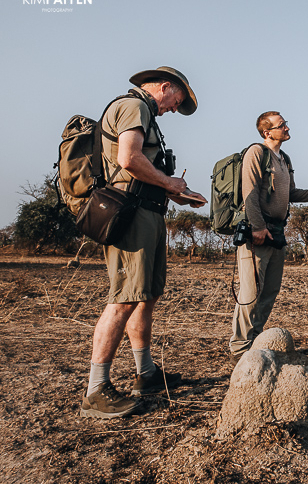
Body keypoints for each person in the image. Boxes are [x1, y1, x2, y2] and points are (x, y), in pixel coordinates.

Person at [81, 66, 205, 418]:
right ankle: (95, 390)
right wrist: (170, 184)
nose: (171, 109)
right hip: (131, 214)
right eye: (175, 102)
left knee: (146, 295)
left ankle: (145, 374)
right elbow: (129, 159)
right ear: (164, 87)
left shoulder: (146, 112)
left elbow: (142, 168)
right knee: (123, 299)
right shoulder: (133, 107)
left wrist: (178, 194)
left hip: (148, 211)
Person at [229, 112, 308, 360]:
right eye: (282, 125)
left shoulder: (284, 158)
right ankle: (239, 348)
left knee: (269, 291)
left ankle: (255, 340)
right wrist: (256, 227)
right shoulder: (256, 153)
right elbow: (250, 192)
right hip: (258, 232)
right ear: (267, 132)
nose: (287, 128)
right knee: (251, 293)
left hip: (277, 232)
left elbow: (292, 194)